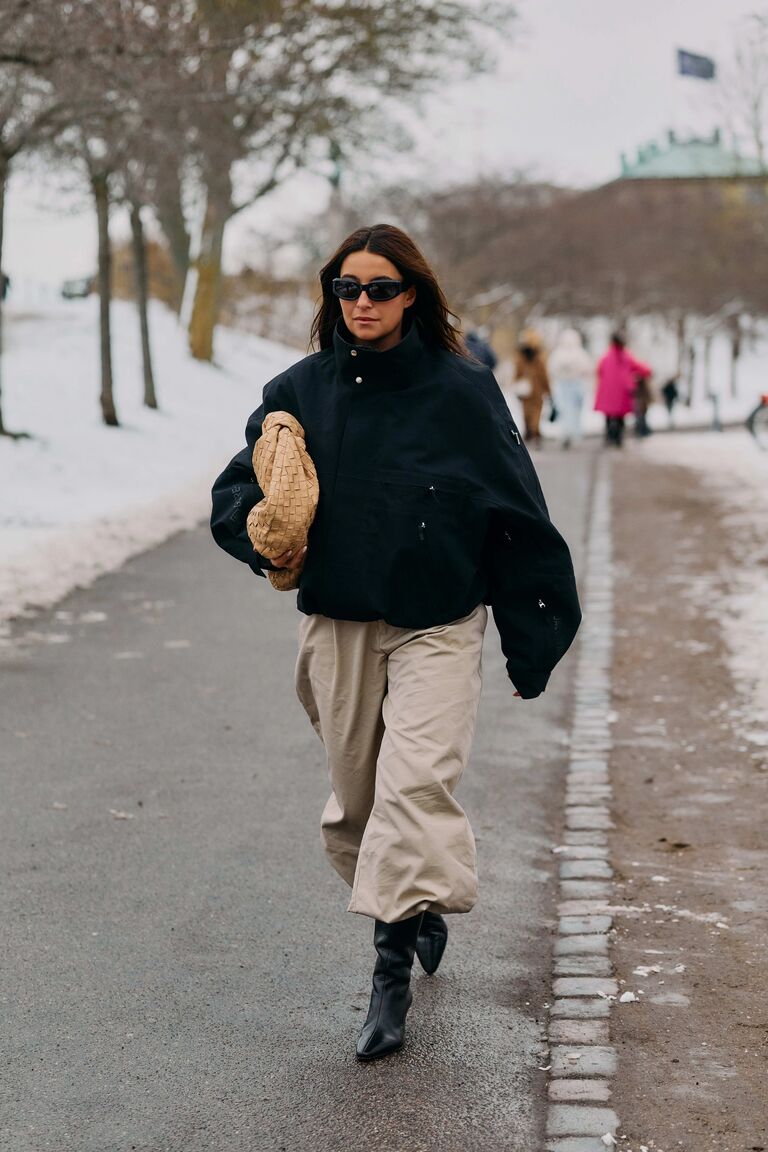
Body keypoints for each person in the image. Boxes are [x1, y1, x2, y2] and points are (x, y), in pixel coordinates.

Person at [210, 224, 581, 1063]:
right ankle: (412, 908)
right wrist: (264, 536)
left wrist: (532, 639)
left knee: (413, 789)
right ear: (332, 294)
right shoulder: (298, 392)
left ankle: (388, 980)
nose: (363, 302)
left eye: (380, 288)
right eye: (348, 288)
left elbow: (518, 515)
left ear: (412, 293)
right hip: (339, 623)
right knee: (357, 809)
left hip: (437, 626)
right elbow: (236, 492)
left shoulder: (463, 392)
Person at [594, 332, 651, 447]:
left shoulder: (605, 357)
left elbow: (599, 371)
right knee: (620, 415)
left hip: (607, 391)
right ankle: (618, 437)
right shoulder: (626, 356)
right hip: (622, 392)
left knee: (609, 414)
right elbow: (642, 368)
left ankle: (609, 435)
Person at [547, 328, 594, 449]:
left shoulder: (562, 353)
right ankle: (568, 434)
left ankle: (570, 434)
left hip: (573, 385)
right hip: (566, 386)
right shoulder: (576, 353)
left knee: (569, 411)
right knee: (568, 411)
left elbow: (552, 369)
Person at [514, 328, 550, 446]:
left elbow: (517, 373)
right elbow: (544, 375)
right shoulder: (539, 357)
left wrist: (516, 385)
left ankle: (529, 431)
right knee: (536, 412)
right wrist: (548, 389)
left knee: (526, 411)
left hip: (525, 390)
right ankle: (535, 432)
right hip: (537, 389)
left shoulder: (520, 357)